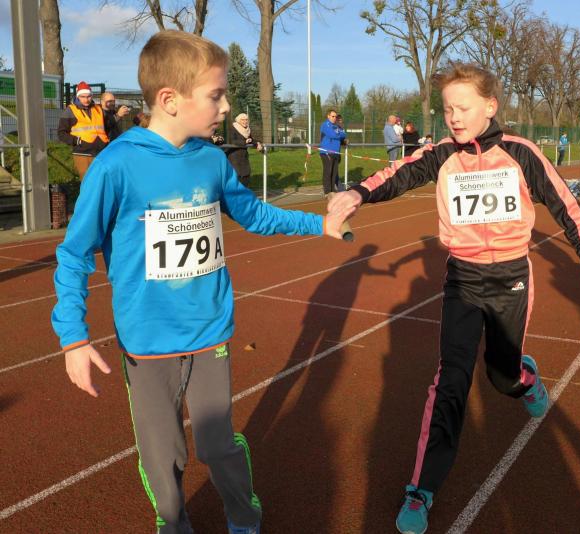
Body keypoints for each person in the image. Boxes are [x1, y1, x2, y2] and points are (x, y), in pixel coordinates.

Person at [50, 30, 353, 534]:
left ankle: (244, 519)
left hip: (210, 332)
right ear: (170, 99)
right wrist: (73, 338)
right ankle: (173, 524)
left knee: (216, 446)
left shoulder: (211, 160)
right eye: (216, 94)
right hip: (147, 343)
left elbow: (253, 214)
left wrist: (317, 223)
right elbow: (75, 253)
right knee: (163, 455)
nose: (226, 106)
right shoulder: (116, 167)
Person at [328, 63, 580, 534]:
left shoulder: (521, 153)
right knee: (450, 380)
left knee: (501, 376)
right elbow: (398, 174)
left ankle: (524, 378)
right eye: (447, 108)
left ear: (490, 107)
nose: (453, 117)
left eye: (463, 107)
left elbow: (567, 207)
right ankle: (421, 489)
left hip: (511, 279)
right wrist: (357, 193)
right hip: (462, 280)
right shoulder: (442, 154)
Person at [57, 81, 116, 180]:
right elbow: (61, 133)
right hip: (83, 154)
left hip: (102, 152)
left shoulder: (98, 109)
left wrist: (117, 116)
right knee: (88, 182)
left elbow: (107, 126)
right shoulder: (70, 110)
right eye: (83, 96)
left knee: (102, 181)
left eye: (88, 96)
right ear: (78, 96)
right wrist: (77, 141)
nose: (86, 99)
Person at [226, 113, 262, 188]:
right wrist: (244, 142)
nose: (245, 121)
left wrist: (257, 143)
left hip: (244, 156)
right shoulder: (232, 128)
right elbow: (232, 141)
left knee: (246, 175)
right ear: (238, 120)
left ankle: (243, 192)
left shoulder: (247, 130)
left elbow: (251, 140)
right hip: (234, 156)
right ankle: (234, 193)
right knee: (236, 175)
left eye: (246, 120)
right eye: (243, 120)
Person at [319, 108, 347, 196]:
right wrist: (339, 134)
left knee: (334, 172)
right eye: (333, 116)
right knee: (328, 171)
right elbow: (333, 135)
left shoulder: (336, 126)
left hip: (336, 152)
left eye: (335, 116)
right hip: (327, 152)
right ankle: (327, 191)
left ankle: (332, 190)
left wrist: (340, 135)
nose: (334, 118)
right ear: (328, 116)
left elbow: (344, 134)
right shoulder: (325, 124)